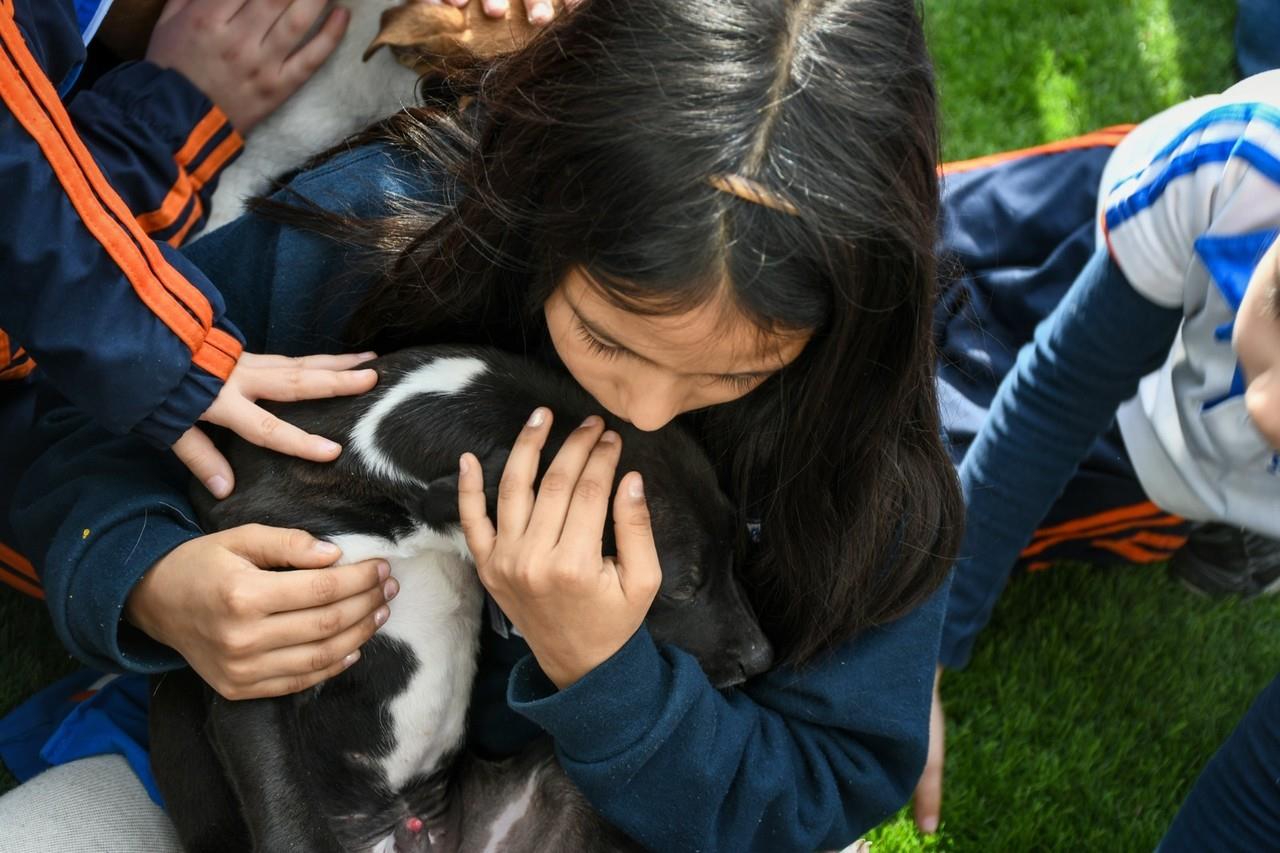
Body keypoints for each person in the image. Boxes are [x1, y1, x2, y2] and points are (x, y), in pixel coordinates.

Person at [0, 0, 963, 850]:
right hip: (276, 781)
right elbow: (77, 425)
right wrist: (151, 579)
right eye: (606, 337)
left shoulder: (859, 451)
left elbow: (820, 780)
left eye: (739, 372)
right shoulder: (371, 234)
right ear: (544, 200)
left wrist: (610, 680)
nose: (644, 409)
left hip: (625, 814)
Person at [913, 70, 1280, 848]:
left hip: (1164, 446)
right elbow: (1060, 388)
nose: (1266, 407)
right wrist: (930, 637)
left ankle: (1243, 534)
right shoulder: (1246, 149)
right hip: (1139, 213)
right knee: (859, 242)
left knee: (885, 519)